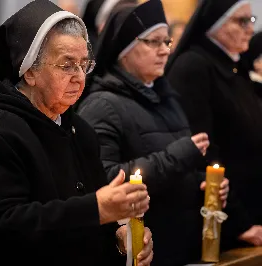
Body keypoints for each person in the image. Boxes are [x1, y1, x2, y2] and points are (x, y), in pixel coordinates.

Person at [0, 1, 153, 266]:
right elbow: (2, 228)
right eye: (67, 65)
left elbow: (94, 218)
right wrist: (96, 209)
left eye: (83, 65)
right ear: (30, 71)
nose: (79, 77)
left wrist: (119, 237)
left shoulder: (81, 131)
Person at [76, 1, 232, 265]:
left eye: (167, 42)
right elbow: (105, 179)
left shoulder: (167, 97)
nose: (164, 51)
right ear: (124, 48)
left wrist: (202, 184)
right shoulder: (101, 105)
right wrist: (178, 156)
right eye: (154, 42)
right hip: (144, 249)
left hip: (183, 244)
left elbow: (177, 166)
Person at [166, 0, 262, 249]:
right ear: (216, 24)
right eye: (242, 21)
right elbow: (203, 151)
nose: (250, 30)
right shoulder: (193, 67)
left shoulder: (232, 66)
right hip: (223, 223)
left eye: (251, 21)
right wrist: (239, 223)